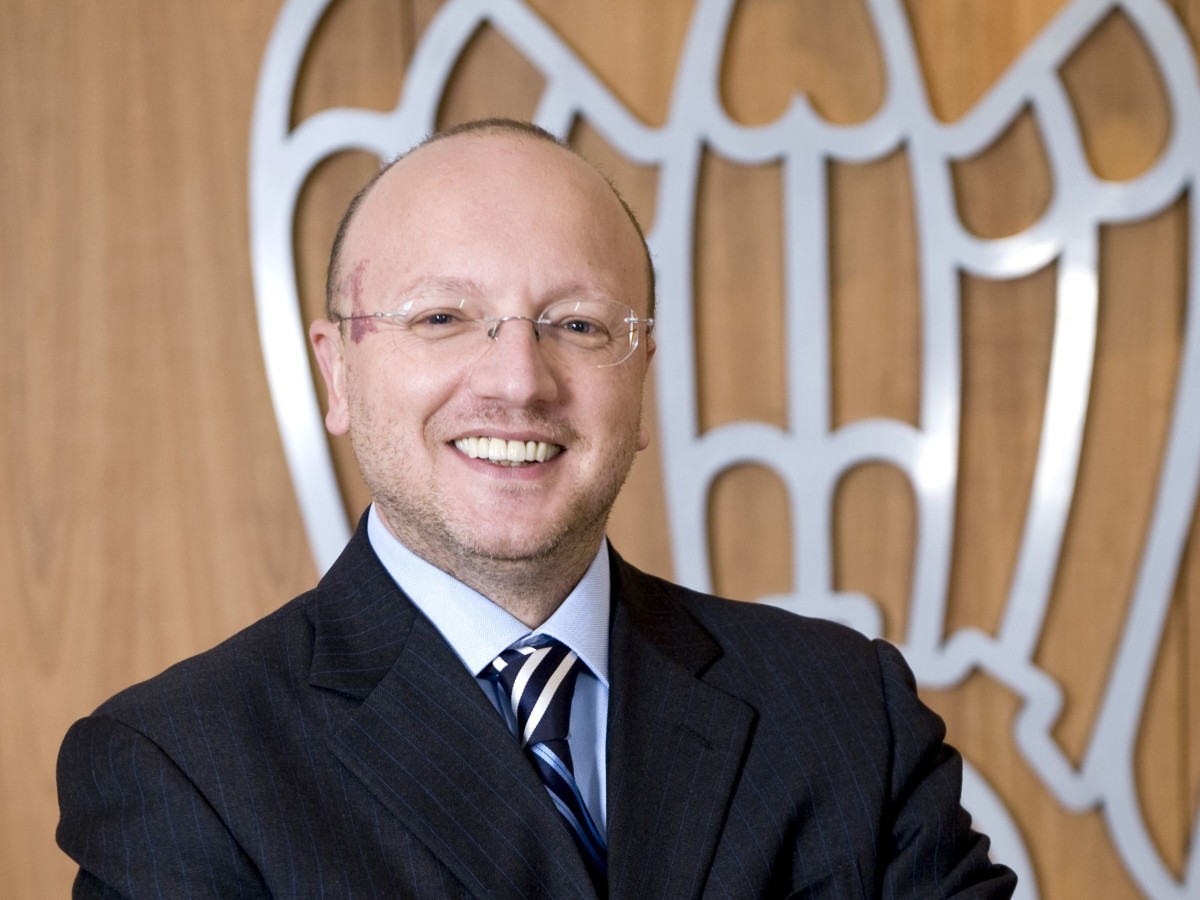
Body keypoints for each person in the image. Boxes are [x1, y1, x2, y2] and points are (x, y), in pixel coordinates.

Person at [56, 118, 1017, 899]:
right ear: (338, 371)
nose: (518, 381)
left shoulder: (847, 710)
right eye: (442, 318)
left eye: (579, 324)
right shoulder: (180, 769)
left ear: (641, 380)